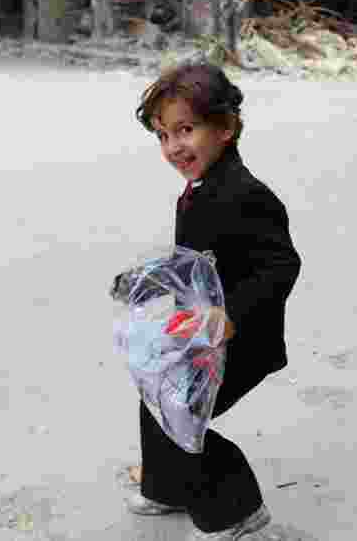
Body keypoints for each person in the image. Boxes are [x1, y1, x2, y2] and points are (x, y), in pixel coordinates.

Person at [122, 63, 302, 540]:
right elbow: (195, 262)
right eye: (162, 135)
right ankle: (167, 486)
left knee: (180, 411)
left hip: (241, 337)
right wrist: (147, 280)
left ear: (225, 128)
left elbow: (281, 265)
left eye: (185, 130)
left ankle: (237, 509)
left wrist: (230, 316)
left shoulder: (246, 195)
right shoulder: (199, 189)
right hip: (197, 329)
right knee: (155, 397)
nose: (173, 147)